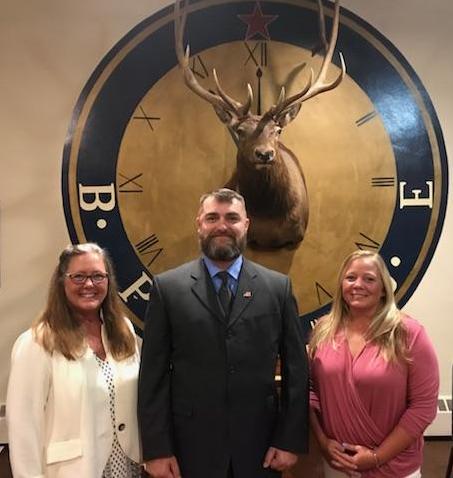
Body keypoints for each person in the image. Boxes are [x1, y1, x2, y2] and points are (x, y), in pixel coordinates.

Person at [138, 188, 309, 478]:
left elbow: (296, 370)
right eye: (212, 217)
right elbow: (153, 375)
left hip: (261, 449)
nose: (222, 226)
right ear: (199, 224)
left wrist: (289, 440)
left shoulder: (277, 288)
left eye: (232, 218)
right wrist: (156, 449)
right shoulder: (167, 289)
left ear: (246, 225)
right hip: (189, 449)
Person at [6, 243, 141, 478]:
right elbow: (23, 428)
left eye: (98, 276)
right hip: (73, 470)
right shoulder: (37, 342)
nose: (89, 284)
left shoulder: (123, 331)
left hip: (128, 467)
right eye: (79, 277)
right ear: (61, 282)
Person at [309, 250, 439, 478]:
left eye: (369, 279)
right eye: (350, 278)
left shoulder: (408, 333)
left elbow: (423, 407)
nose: (358, 285)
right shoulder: (323, 330)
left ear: (383, 289)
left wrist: (377, 456)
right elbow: (310, 392)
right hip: (339, 463)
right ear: (341, 284)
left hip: (394, 467)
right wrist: (323, 442)